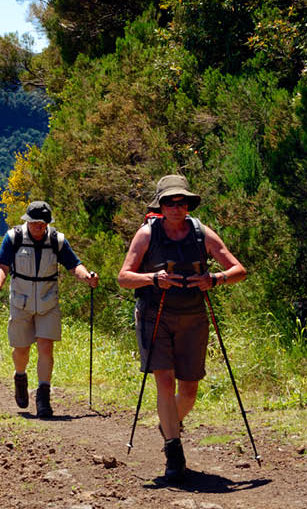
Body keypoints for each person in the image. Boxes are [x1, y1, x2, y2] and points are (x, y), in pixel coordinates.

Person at [117, 175, 246, 482]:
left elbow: (238, 269)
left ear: (188, 204)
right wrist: (153, 279)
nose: (176, 207)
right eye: (170, 202)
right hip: (154, 315)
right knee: (165, 381)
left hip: (193, 317)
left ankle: (168, 424)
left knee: (189, 390)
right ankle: (174, 451)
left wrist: (215, 279)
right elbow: (123, 277)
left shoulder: (202, 233)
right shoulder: (146, 234)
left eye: (182, 202)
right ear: (160, 206)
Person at [0, 201, 98, 418]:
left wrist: (87, 277)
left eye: (43, 223)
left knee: (46, 348)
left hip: (48, 302)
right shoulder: (13, 238)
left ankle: (43, 397)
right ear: (27, 221)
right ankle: (20, 376)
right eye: (35, 223)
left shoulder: (57, 240)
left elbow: (74, 265)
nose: (39, 227)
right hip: (21, 302)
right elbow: (2, 266)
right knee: (21, 350)